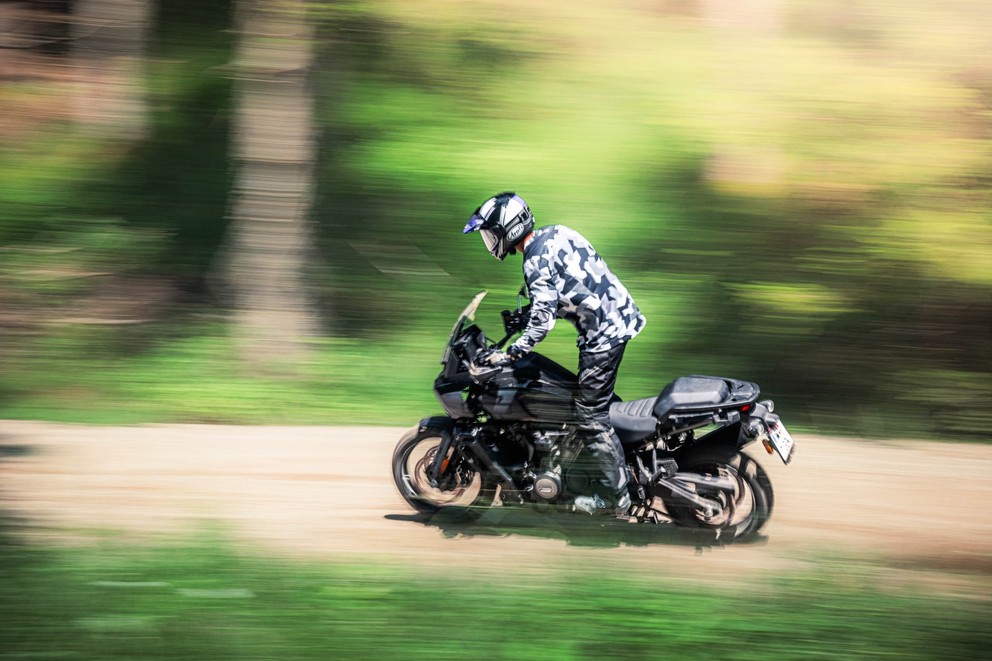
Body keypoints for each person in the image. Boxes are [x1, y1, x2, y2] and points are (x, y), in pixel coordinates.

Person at [463, 191, 646, 517]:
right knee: (582, 401)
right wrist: (528, 314)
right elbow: (574, 283)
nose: (490, 240)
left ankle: (616, 498)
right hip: (619, 317)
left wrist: (511, 353)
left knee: (590, 417)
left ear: (510, 229)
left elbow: (542, 325)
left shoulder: (534, 261)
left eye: (492, 233)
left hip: (603, 336)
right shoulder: (555, 233)